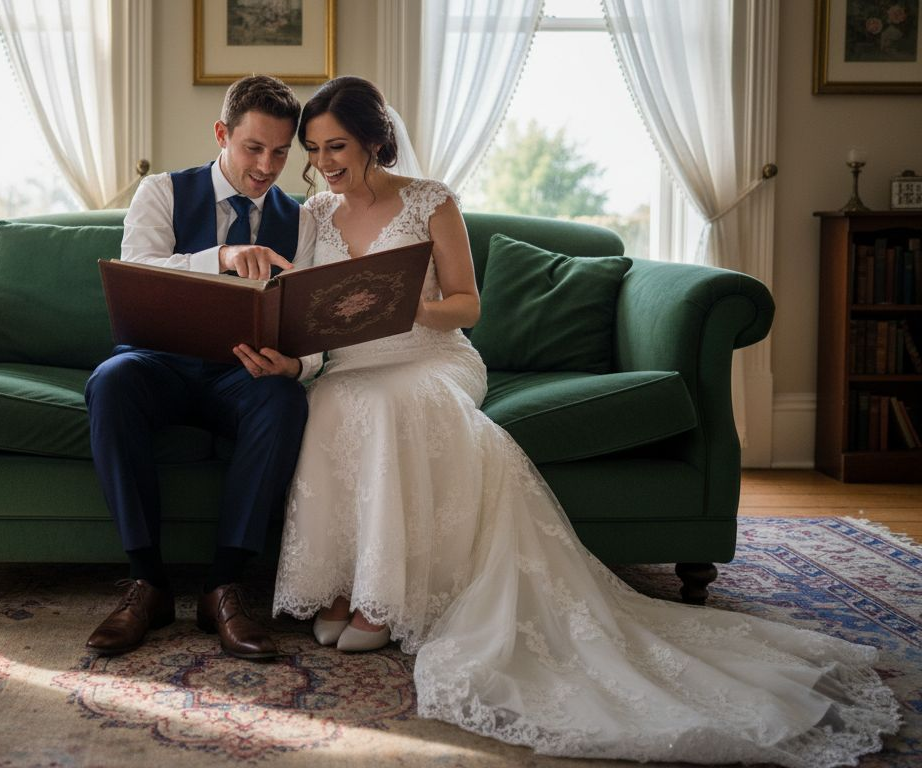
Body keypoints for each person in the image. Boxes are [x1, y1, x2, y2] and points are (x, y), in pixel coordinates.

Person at [236, 76, 899, 765]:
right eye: (314, 151)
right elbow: (312, 311)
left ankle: (384, 601)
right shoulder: (315, 213)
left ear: (374, 139)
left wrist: (410, 308)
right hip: (349, 363)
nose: (326, 164)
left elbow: (467, 307)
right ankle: (341, 585)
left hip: (429, 354)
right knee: (336, 400)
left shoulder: (431, 202)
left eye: (336, 146)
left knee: (386, 401)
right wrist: (299, 352)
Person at [84, 74, 318, 661]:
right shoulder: (161, 191)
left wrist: (296, 363)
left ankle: (223, 587)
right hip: (157, 365)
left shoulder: (307, 220)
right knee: (111, 383)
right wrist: (221, 257)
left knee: (287, 398)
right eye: (253, 148)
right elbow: (138, 269)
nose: (267, 166)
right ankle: (148, 583)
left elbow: (313, 325)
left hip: (242, 379)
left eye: (281, 151)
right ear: (222, 134)